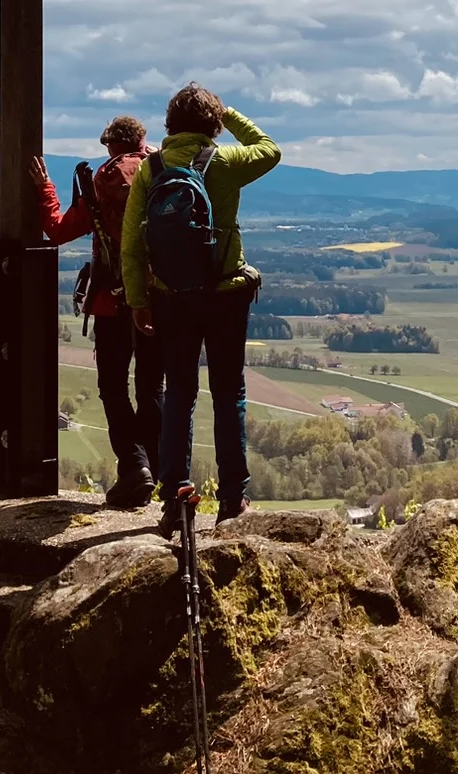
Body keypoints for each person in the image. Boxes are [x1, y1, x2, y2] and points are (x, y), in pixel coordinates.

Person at [121, 84, 280, 528]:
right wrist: (228, 113)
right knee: (230, 394)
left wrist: (138, 301)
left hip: (172, 297)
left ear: (170, 123)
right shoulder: (225, 162)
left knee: (180, 395)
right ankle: (233, 499)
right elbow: (269, 150)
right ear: (212, 124)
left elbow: (133, 244)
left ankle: (175, 501)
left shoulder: (151, 169)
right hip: (226, 293)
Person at [29, 116, 163, 509]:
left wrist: (45, 188)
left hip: (113, 300)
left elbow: (57, 229)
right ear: (142, 141)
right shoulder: (165, 169)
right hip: (159, 300)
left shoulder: (103, 180)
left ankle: (136, 466)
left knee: (113, 387)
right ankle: (155, 468)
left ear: (110, 146)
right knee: (153, 387)